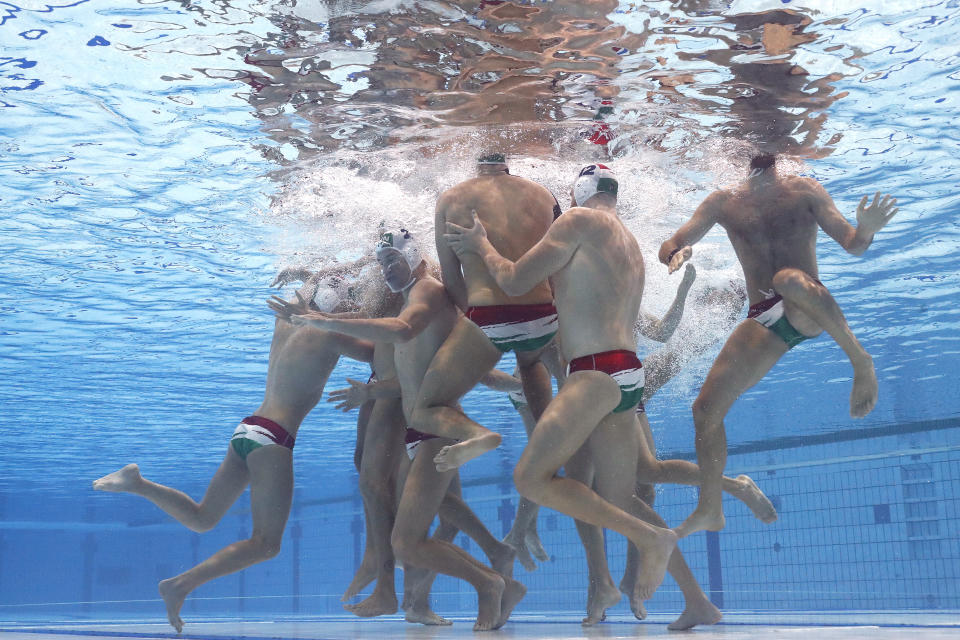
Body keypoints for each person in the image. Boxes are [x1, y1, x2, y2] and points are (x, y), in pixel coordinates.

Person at [92, 265, 377, 633]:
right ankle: (179, 585)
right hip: (273, 438)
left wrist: (318, 272)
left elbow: (315, 285)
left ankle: (138, 483)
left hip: (249, 428)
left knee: (202, 518)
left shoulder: (285, 320)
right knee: (266, 544)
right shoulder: (328, 333)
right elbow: (383, 349)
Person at [444, 163, 678, 607]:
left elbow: (513, 278)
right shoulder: (627, 240)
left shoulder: (577, 221)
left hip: (594, 371)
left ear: (574, 196)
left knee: (531, 479)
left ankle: (653, 539)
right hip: (629, 373)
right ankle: (648, 550)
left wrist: (480, 244)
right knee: (617, 496)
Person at [279, 229, 527, 631]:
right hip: (420, 429)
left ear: (417, 259)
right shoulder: (418, 299)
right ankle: (491, 569)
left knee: (408, 536)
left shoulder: (425, 293)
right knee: (435, 517)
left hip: (432, 430)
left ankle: (488, 582)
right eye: (382, 263)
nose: (386, 268)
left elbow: (401, 332)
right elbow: (448, 369)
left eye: (394, 259)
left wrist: (322, 320)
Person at [659, 153, 898, 538]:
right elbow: (671, 241)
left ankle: (861, 362)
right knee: (704, 411)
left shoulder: (804, 190)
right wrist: (675, 253)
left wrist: (866, 230)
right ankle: (709, 509)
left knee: (787, 277)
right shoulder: (723, 202)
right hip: (763, 319)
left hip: (806, 304)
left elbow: (852, 244)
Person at [411, 153, 560, 472]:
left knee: (424, 408)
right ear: (509, 164)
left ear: (475, 165)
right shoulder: (544, 195)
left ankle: (478, 435)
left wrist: (479, 322)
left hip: (488, 315)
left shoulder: (450, 200)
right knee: (531, 362)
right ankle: (550, 445)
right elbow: (558, 269)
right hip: (543, 315)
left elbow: (451, 280)